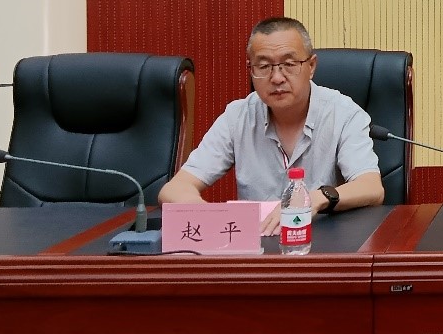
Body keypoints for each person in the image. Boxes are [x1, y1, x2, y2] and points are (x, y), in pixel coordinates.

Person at [159, 16, 384, 233]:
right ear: (251, 70)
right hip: (257, 246)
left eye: (289, 64)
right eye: (264, 66)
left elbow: (371, 186)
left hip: (324, 242)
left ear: (311, 66)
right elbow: (174, 189)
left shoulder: (343, 113)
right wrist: (207, 215)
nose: (277, 78)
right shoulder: (237, 117)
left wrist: (316, 198)